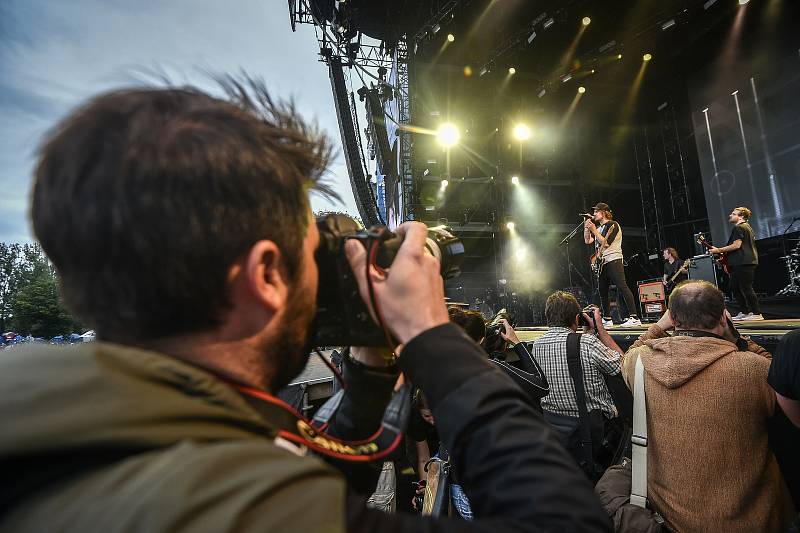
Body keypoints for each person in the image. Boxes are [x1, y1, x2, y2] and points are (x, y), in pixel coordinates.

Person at [0, 81, 610, 532]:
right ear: (267, 273)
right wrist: (431, 335)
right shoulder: (225, 508)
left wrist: (371, 377)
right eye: (310, 256)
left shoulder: (82, 429)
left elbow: (306, 489)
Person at [623, 280, 795, 532]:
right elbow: (779, 376)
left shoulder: (639, 364)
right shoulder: (752, 369)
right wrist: (736, 338)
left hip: (669, 521)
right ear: (723, 318)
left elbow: (631, 351)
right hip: (752, 521)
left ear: (672, 318)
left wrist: (659, 326)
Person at [530, 291, 624, 473]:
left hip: (556, 430)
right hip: (594, 431)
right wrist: (600, 332)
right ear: (576, 317)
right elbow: (624, 365)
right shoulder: (587, 343)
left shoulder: (536, 345)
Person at [583, 202, 641, 328]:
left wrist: (593, 229)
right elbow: (588, 240)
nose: (594, 214)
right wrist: (586, 228)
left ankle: (634, 317)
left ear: (604, 212)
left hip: (614, 259)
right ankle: (607, 318)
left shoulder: (612, 225)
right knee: (602, 290)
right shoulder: (598, 229)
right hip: (602, 262)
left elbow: (607, 243)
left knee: (622, 286)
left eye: (596, 211)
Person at [710, 206, 762, 321]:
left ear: (741, 217)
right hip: (743, 262)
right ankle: (745, 311)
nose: (730, 215)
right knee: (734, 287)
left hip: (744, 262)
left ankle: (757, 313)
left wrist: (718, 250)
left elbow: (736, 245)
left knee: (746, 287)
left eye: (733, 214)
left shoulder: (739, 228)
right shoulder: (746, 227)